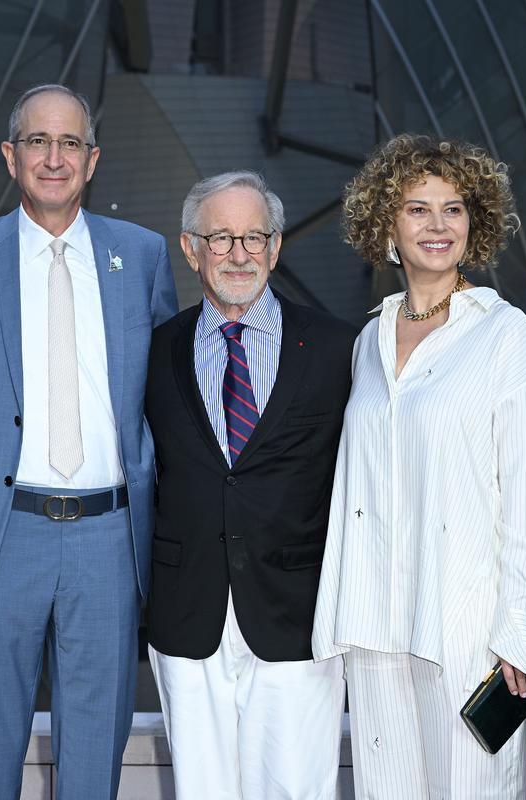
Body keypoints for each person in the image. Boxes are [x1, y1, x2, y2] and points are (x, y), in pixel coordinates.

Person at [0, 84, 178, 800]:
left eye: (70, 143)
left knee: (96, 753)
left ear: (92, 160)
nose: (54, 157)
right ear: (11, 156)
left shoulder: (144, 254)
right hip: (2, 534)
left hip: (107, 536)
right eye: (38, 141)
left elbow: (165, 398)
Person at [312, 134, 526, 799]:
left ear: (474, 222)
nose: (437, 225)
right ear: (386, 224)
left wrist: (517, 630)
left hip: (464, 627)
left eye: (453, 208)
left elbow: (523, 496)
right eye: (418, 208)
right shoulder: (369, 337)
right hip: (374, 624)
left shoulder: (506, 336)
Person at [145, 171, 353, 798]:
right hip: (188, 616)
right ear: (190, 248)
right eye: (221, 238)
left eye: (254, 237)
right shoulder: (154, 352)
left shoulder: (338, 348)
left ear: (276, 246)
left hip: (298, 614)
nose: (240, 255)